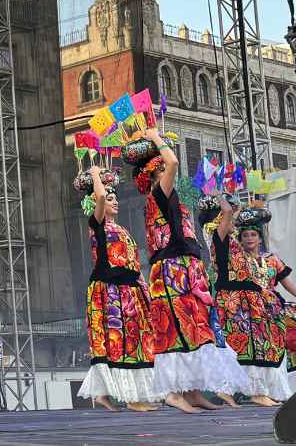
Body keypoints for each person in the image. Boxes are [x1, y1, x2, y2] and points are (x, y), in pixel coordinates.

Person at [125, 128, 248, 413]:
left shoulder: (171, 197)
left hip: (187, 267)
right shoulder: (158, 193)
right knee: (176, 328)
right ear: (155, 172)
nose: (172, 173)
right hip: (171, 269)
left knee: (195, 328)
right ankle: (173, 392)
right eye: (163, 168)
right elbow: (174, 162)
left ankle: (192, 392)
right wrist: (156, 137)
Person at [75, 165, 159, 412]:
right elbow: (99, 196)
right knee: (118, 342)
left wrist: (144, 290)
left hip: (129, 291)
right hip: (110, 291)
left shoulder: (121, 229)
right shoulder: (96, 224)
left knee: (135, 342)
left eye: (115, 199)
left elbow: (132, 262)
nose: (115, 203)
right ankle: (130, 398)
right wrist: (94, 175)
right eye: (111, 199)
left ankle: (104, 394)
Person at [205, 200, 294, 405]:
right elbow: (226, 213)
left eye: (253, 234)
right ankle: (253, 393)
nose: (247, 237)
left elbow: (287, 284)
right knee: (246, 350)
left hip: (261, 308)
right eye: (243, 233)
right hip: (237, 306)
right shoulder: (224, 246)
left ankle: (257, 391)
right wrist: (223, 200)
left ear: (260, 238)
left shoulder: (263, 257)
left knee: (262, 348)